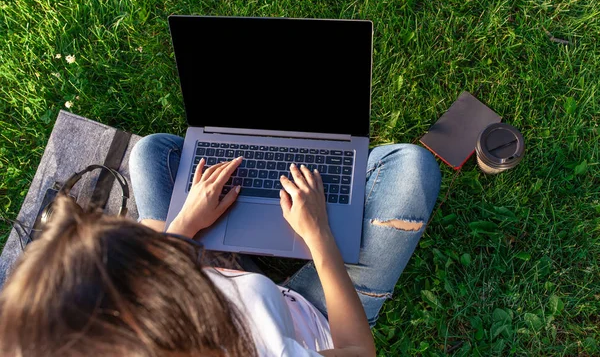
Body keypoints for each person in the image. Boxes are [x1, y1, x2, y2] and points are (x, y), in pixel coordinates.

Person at [0, 134, 441, 357]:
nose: (148, 236)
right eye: (141, 245)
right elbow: (359, 354)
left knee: (152, 153)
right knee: (412, 169)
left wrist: (185, 222)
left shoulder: (120, 330)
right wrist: (320, 238)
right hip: (319, 314)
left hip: (213, 269)